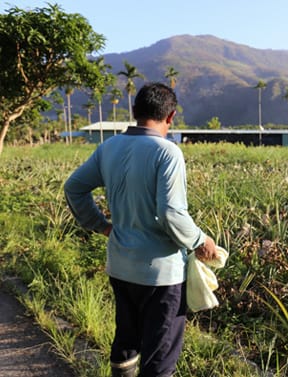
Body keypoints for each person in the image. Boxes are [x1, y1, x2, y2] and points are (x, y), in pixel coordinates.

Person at [64, 82, 217, 377]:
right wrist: (201, 240)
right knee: (159, 358)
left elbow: (74, 188)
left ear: (134, 112)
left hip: (121, 266)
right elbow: (171, 213)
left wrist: (102, 226)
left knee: (126, 341)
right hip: (161, 274)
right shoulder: (167, 152)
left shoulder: (109, 147)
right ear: (170, 117)